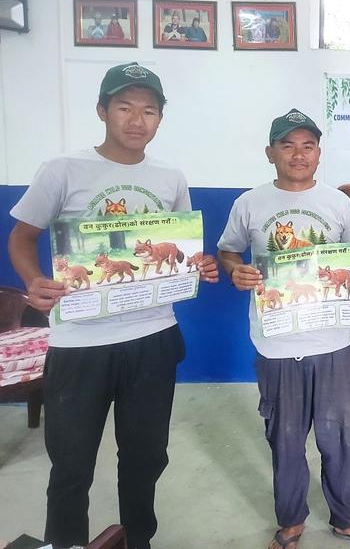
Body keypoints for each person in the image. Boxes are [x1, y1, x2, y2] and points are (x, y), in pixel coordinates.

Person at [7, 62, 219, 549]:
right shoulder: (62, 169)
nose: (136, 119)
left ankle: (137, 540)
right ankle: (65, 544)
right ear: (102, 110)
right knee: (71, 465)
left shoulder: (170, 177)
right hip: (79, 344)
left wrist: (199, 264)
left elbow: (179, 248)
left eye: (149, 110)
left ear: (160, 118)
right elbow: (22, 237)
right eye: (125, 107)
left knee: (146, 458)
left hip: (153, 337)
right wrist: (33, 281)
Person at [217, 109, 350, 549]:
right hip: (276, 344)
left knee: (340, 437)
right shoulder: (249, 203)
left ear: (318, 153)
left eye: (308, 146)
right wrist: (236, 270)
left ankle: (347, 518)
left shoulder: (337, 202)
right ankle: (291, 520)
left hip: (334, 343)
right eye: (288, 145)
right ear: (270, 152)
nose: (299, 154)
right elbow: (228, 251)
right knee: (286, 439)